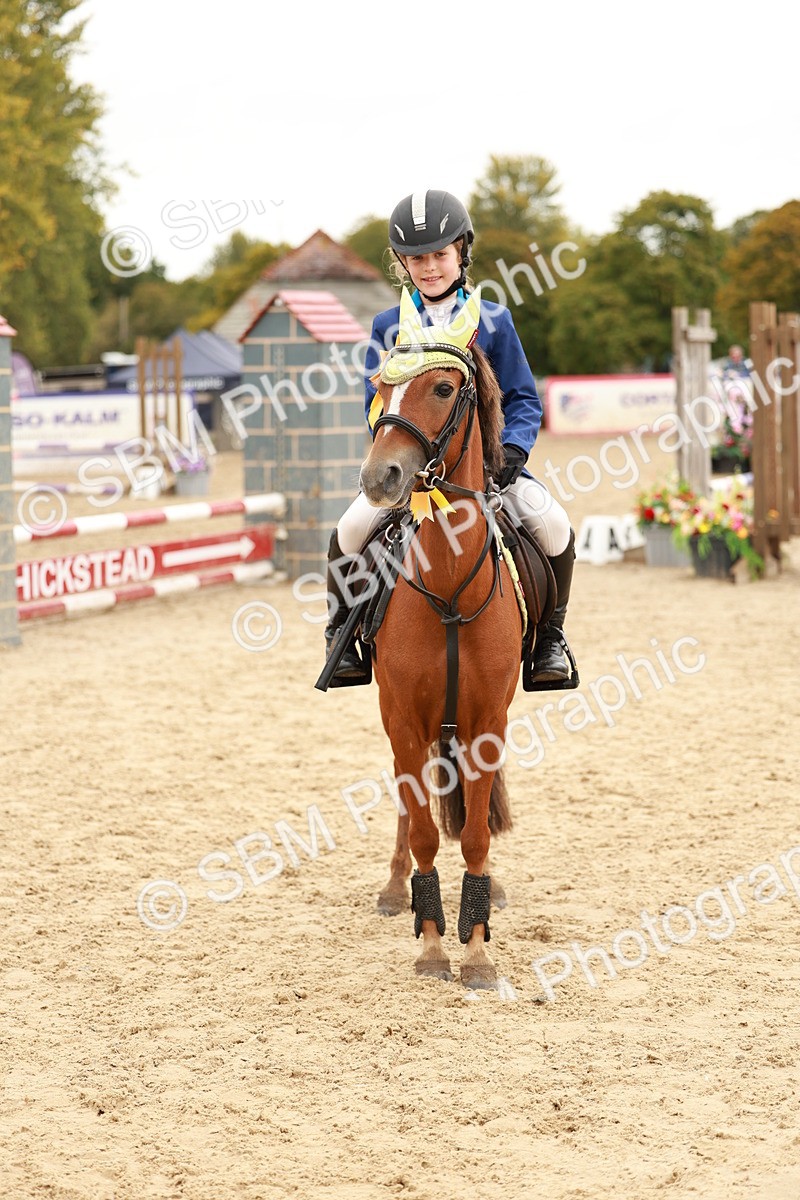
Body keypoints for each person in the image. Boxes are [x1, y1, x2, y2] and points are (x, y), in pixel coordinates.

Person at [323, 189, 575, 685]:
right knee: (350, 531)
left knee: (554, 525)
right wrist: (400, 454)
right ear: (402, 263)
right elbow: (376, 403)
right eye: (417, 258)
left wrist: (511, 454)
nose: (430, 267)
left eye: (440, 254)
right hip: (413, 471)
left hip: (487, 469)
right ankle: (341, 637)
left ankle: (550, 638)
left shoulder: (494, 321)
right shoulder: (388, 325)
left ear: (462, 252)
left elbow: (523, 398)